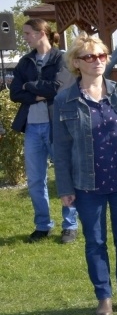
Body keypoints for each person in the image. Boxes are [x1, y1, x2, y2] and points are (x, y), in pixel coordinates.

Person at [52, 32, 117, 315]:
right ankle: (104, 297)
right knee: (94, 241)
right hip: (87, 184)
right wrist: (65, 187)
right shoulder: (64, 100)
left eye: (101, 55)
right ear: (77, 63)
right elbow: (60, 148)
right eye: (90, 57)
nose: (98, 61)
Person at [10, 18, 79, 244]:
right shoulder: (25, 61)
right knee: (35, 180)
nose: (24, 37)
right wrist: (38, 91)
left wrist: (28, 86)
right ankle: (43, 225)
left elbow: (58, 88)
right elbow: (14, 93)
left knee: (64, 175)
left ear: (41, 33)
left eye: (27, 33)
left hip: (56, 125)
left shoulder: (62, 58)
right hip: (31, 127)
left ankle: (70, 226)